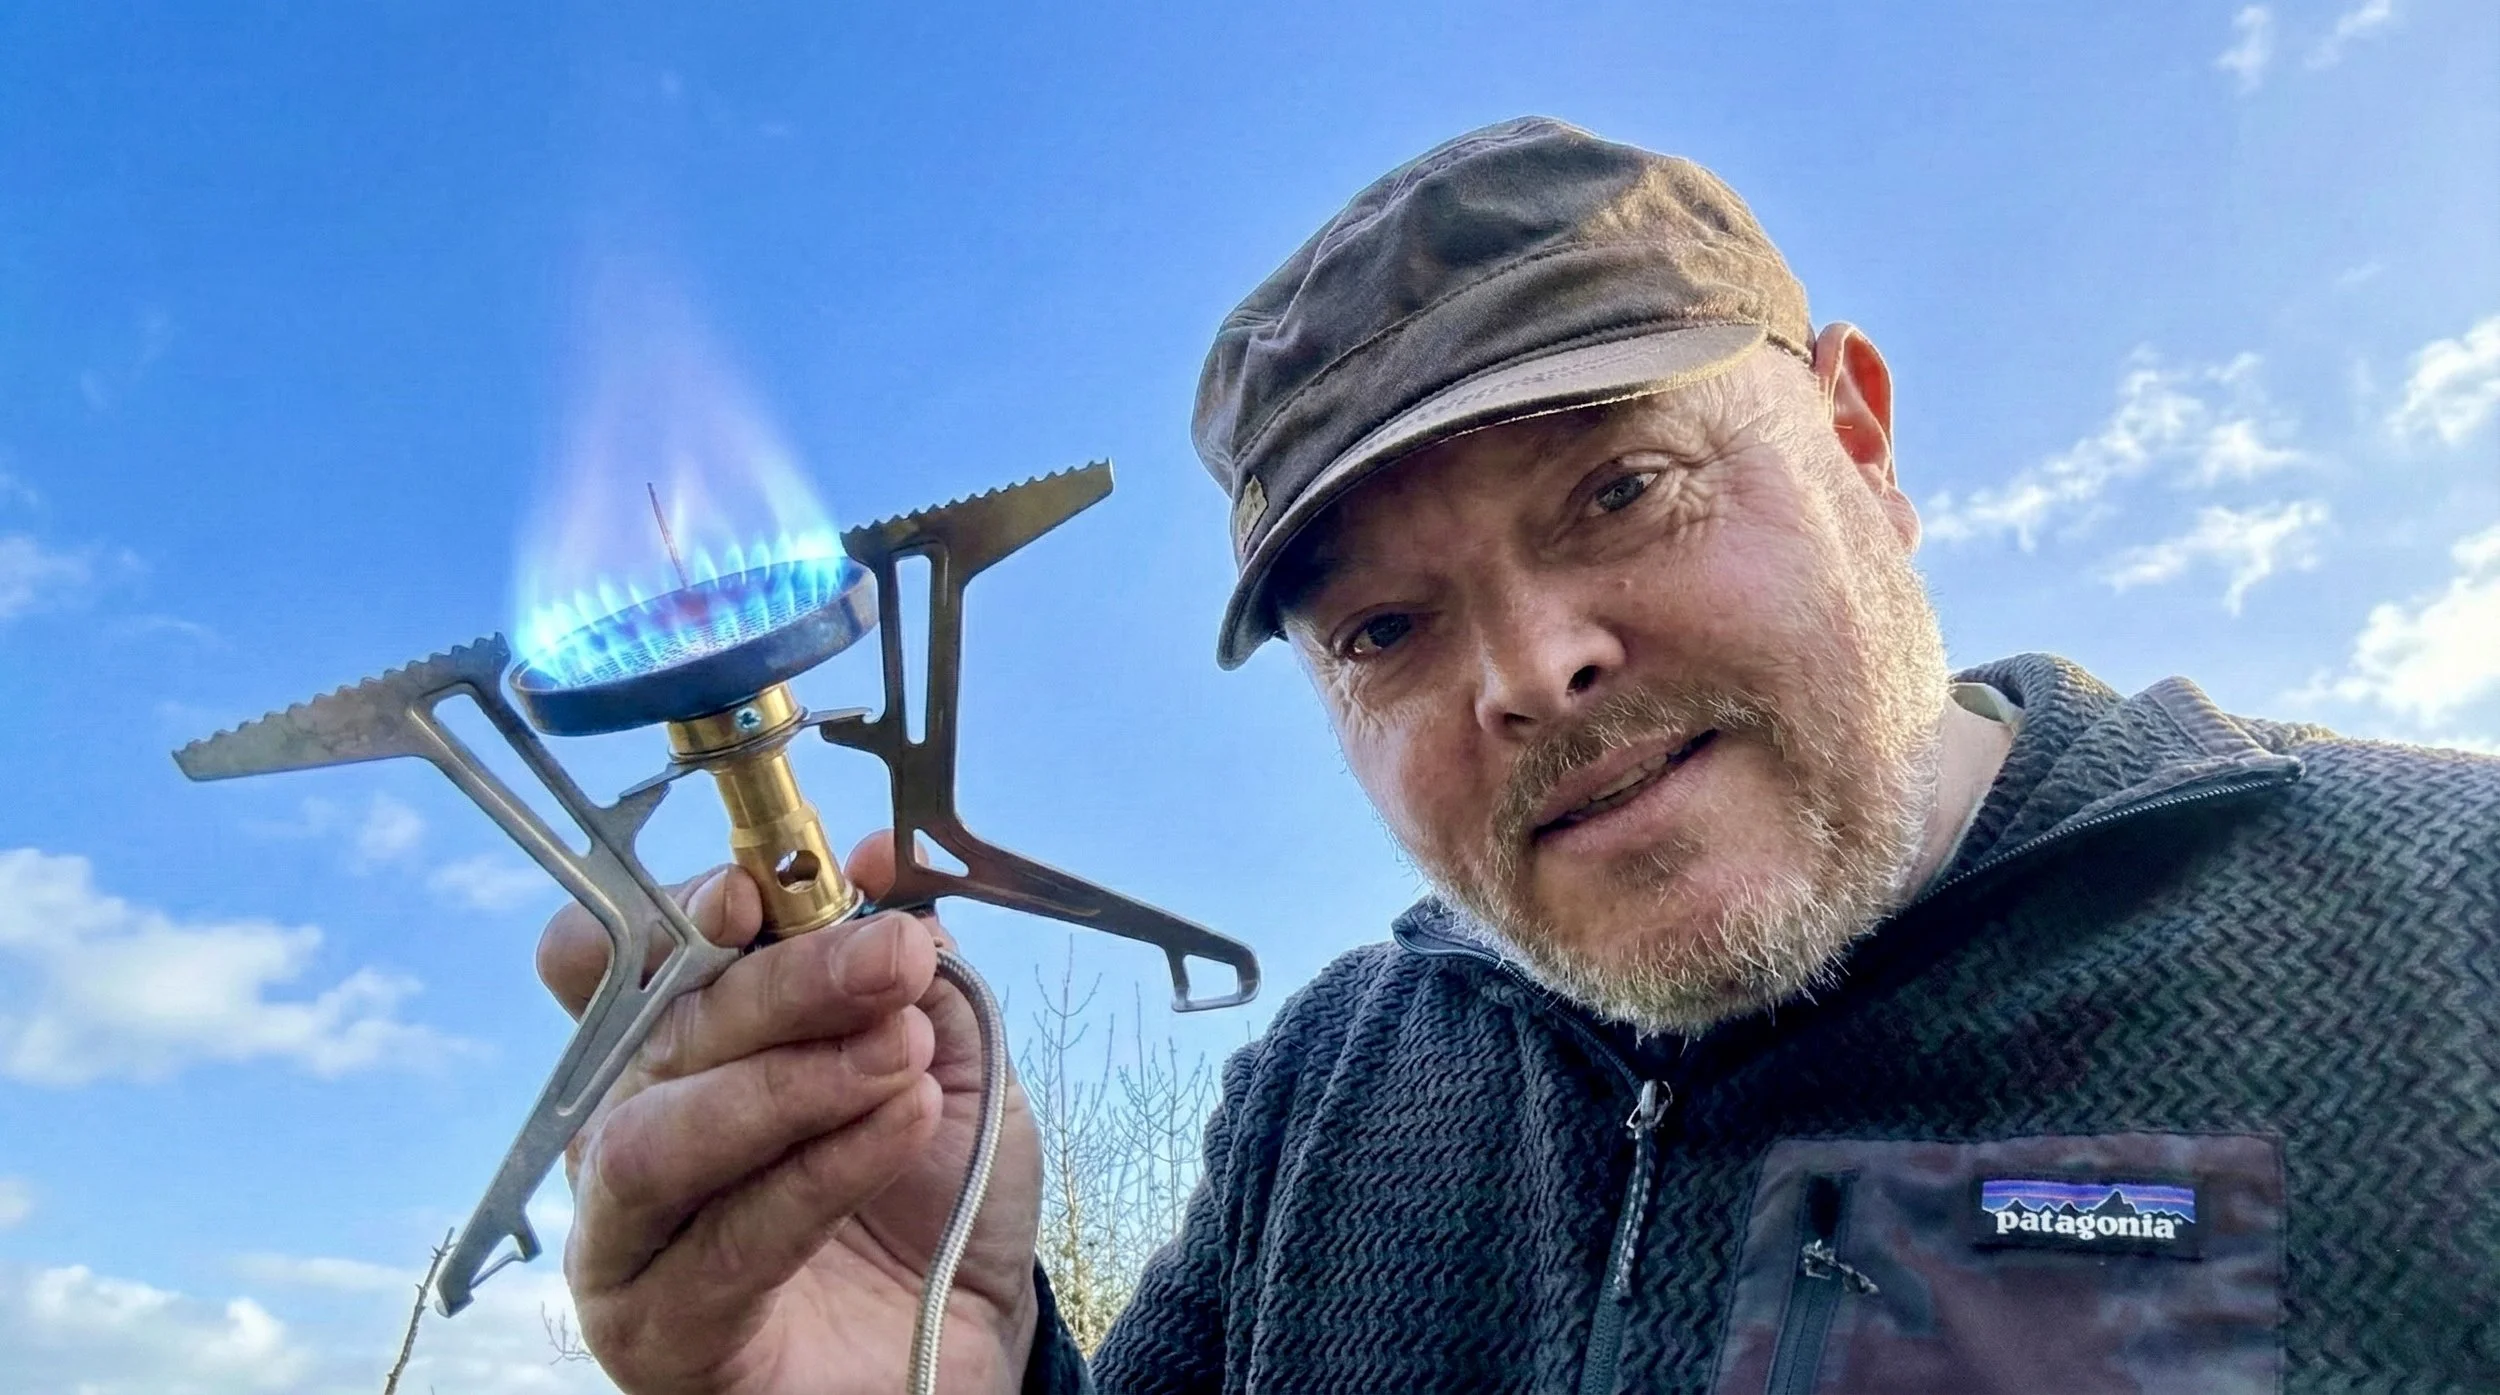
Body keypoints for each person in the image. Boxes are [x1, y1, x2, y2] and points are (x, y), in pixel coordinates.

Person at [533, 117, 2499, 1393]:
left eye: (1621, 488)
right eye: (1382, 629)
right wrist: (942, 1352)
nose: (1532, 672)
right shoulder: (1334, 1089)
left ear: (1859, 441)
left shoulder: (2446, 931)